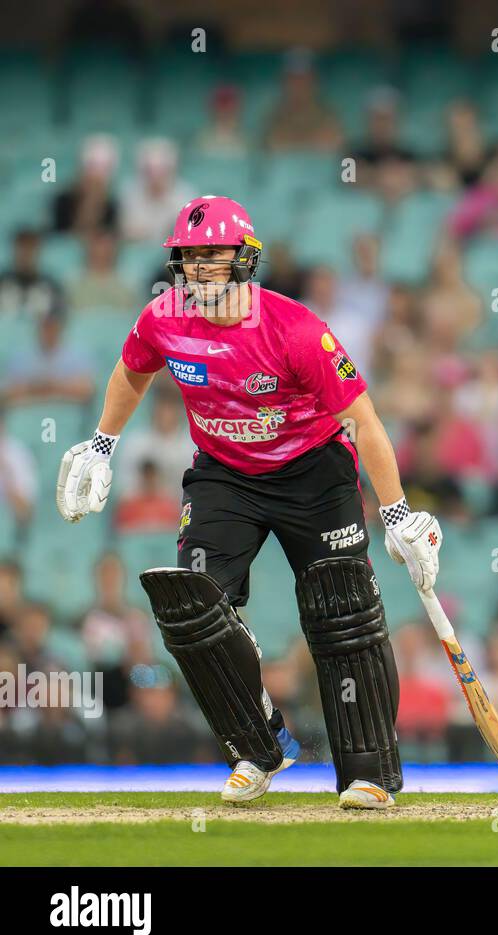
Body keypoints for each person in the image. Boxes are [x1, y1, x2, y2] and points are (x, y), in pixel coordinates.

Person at [54, 196, 442, 810]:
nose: (200, 270)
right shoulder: (163, 318)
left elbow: (363, 421)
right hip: (224, 476)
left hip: (316, 472)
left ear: (245, 259)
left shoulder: (296, 330)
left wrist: (396, 513)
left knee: (341, 614)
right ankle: (259, 746)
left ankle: (369, 774)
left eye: (215, 256)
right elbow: (132, 371)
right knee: (193, 608)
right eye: (189, 258)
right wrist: (102, 444)